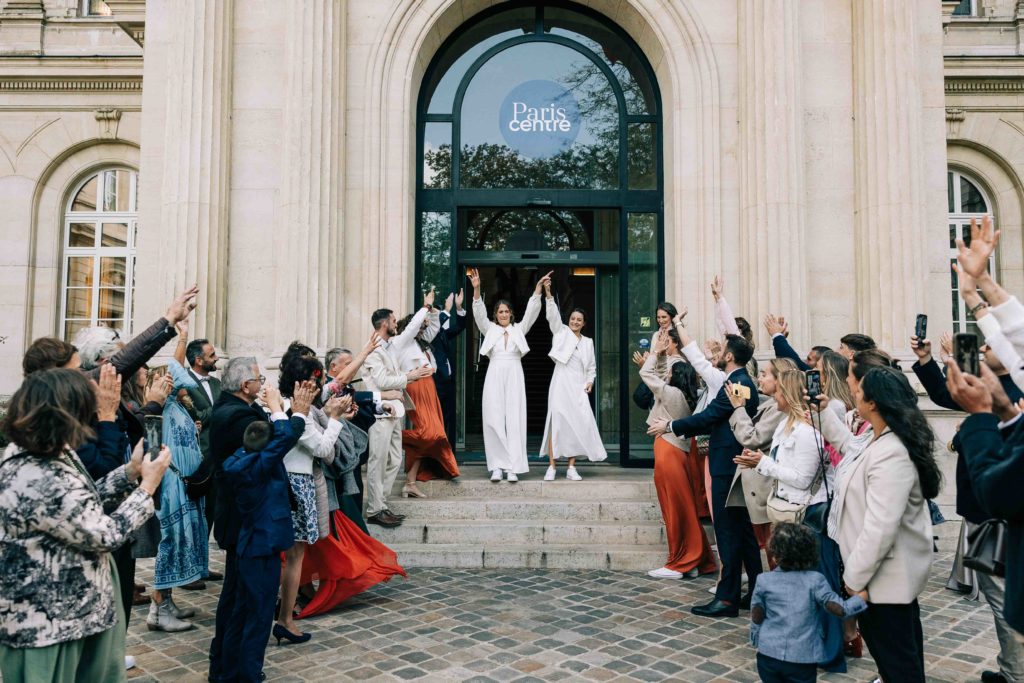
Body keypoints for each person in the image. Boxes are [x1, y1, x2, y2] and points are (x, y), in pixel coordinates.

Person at [0, 368, 170, 682]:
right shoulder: (35, 472)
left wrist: (129, 472)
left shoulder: (46, 453)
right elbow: (104, 533)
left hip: (74, 615)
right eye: (84, 412)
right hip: (48, 626)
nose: (89, 420)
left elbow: (80, 501)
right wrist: (146, 488)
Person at [816, 366, 942, 683]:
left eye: (859, 391)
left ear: (873, 402)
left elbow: (880, 527)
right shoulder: (877, 439)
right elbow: (848, 447)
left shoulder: (892, 452)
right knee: (893, 664)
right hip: (876, 580)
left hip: (882, 583)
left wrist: (854, 580)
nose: (853, 392)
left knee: (899, 667)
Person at [733, 369, 846, 673]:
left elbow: (802, 478)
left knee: (822, 583)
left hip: (809, 515)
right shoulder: (786, 425)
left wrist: (763, 463)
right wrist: (757, 462)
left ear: (789, 393)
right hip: (787, 511)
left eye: (779, 391)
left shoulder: (808, 432)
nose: (774, 395)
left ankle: (832, 651)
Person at [649, 333, 761, 618]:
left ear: (730, 356)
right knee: (744, 530)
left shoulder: (737, 384)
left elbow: (709, 416)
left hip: (727, 464)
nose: (718, 353)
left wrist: (671, 425)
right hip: (732, 462)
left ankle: (727, 598)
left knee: (727, 530)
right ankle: (756, 591)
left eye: (722, 350)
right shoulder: (739, 381)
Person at [220, 385, 306, 682]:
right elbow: (284, 437)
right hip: (262, 549)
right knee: (257, 617)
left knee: (240, 612)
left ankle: (226, 672)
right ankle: (249, 675)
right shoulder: (259, 467)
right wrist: (279, 409)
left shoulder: (240, 460)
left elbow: (278, 439)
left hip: (248, 546)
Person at [208, 356, 269, 682]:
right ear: (246, 387)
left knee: (238, 596)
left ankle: (227, 667)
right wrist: (291, 415)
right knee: (242, 600)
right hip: (243, 519)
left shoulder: (235, 407)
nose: (262, 384)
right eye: (259, 379)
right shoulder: (236, 416)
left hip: (241, 518)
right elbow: (270, 446)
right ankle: (231, 671)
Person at [276, 359, 346, 644]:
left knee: (289, 557)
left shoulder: (280, 405)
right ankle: (285, 618)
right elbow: (324, 448)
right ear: (298, 384)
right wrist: (336, 419)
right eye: (312, 382)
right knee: (293, 558)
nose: (316, 388)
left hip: (290, 481)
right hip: (297, 482)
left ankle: (282, 612)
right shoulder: (297, 414)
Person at [639, 327, 716, 580]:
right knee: (682, 508)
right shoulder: (686, 395)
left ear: (676, 377)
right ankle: (693, 560)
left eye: (671, 371)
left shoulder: (670, 393)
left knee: (673, 508)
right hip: (677, 450)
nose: (667, 373)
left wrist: (654, 351)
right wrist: (662, 357)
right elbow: (659, 373)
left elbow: (646, 373)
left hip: (668, 450)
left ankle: (679, 562)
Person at [749, 523, 867, 683]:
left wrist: (756, 637)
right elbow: (840, 609)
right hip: (802, 658)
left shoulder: (764, 580)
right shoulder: (815, 581)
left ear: (774, 555)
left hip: (768, 655)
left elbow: (757, 613)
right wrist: (861, 598)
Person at [144, 343, 209, 633]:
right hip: (172, 487)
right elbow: (151, 445)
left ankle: (167, 601)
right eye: (168, 381)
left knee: (183, 541)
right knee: (170, 542)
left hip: (186, 486)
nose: (175, 385)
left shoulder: (175, 407)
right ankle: (157, 608)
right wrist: (181, 338)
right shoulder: (157, 411)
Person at [361, 297, 434, 526]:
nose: (396, 323)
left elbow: (411, 330)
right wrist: (409, 377)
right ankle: (374, 510)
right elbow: (382, 380)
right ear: (384, 324)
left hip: (395, 411)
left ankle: (381, 504)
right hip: (380, 412)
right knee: (378, 460)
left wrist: (425, 308)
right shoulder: (374, 350)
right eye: (393, 320)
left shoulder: (391, 346)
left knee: (393, 459)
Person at [469, 267, 546, 482]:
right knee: (493, 419)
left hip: (514, 374)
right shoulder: (490, 330)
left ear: (511, 314)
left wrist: (538, 289)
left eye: (506, 311)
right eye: (500, 312)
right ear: (496, 315)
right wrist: (476, 290)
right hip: (494, 374)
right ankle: (497, 466)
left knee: (515, 419)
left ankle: (513, 467)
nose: (503, 314)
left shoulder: (519, 330)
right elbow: (479, 314)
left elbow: (531, 312)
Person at [540, 279, 607, 480]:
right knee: (557, 422)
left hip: (578, 386)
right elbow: (552, 315)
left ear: (584, 323)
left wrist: (590, 382)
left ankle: (571, 467)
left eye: (579, 320)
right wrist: (549, 293)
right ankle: (552, 466)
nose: (575, 321)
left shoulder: (588, 342)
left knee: (577, 424)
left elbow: (592, 368)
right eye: (573, 318)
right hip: (561, 382)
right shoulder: (560, 332)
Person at [396, 305, 460, 494]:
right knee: (431, 434)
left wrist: (433, 312)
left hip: (429, 388)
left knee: (430, 434)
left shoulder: (421, 343)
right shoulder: (402, 341)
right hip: (416, 387)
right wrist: (424, 307)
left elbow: (433, 327)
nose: (422, 330)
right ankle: (393, 437)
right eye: (420, 327)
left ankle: (410, 482)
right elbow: (414, 326)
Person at [184, 337, 222, 547]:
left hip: (218, 456)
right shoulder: (185, 384)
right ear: (199, 360)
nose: (216, 358)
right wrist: (219, 406)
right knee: (194, 513)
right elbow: (195, 417)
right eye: (212, 355)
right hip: (198, 457)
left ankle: (203, 563)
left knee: (211, 512)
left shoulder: (217, 383)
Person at [432, 289, 468, 445]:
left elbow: (460, 326)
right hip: (436, 382)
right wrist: (446, 309)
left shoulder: (442, 334)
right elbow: (436, 324)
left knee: (448, 420)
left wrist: (458, 308)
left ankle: (447, 452)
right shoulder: (428, 333)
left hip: (448, 383)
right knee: (437, 421)